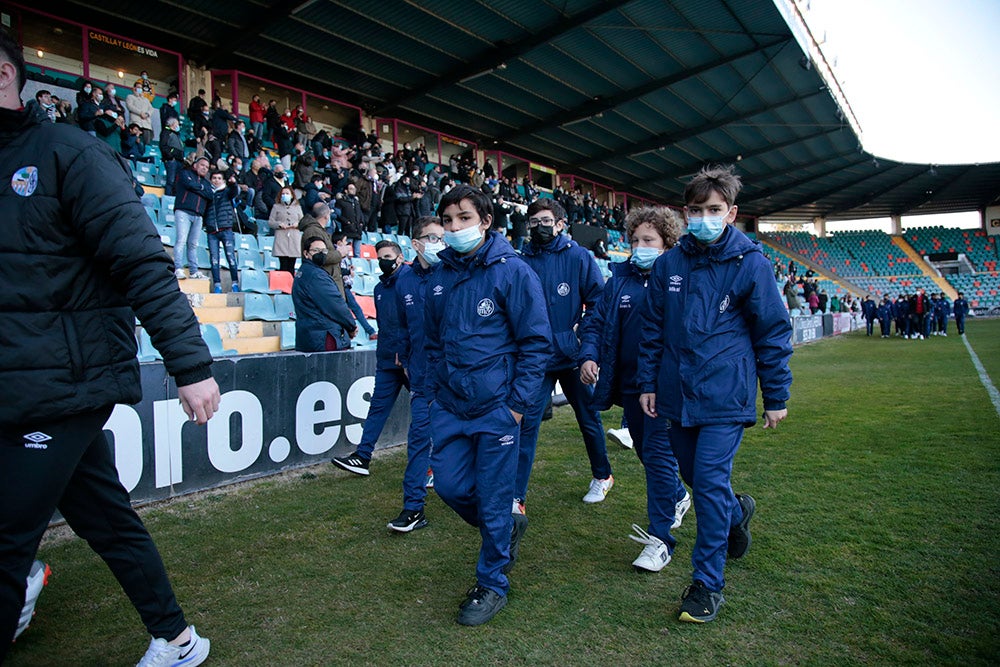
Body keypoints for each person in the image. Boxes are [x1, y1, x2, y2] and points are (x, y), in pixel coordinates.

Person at [0, 31, 217, 665]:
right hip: (19, 382)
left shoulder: (71, 153)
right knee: (104, 515)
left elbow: (142, 263)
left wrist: (191, 365)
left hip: (62, 384)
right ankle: (178, 641)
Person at [637, 165, 792, 624]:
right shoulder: (669, 264)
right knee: (697, 479)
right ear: (685, 213)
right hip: (676, 394)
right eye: (697, 209)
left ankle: (706, 585)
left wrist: (776, 395)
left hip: (727, 395)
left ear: (732, 212)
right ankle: (736, 512)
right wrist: (648, 382)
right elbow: (652, 330)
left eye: (714, 210)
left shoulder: (751, 263)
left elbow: (772, 331)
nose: (705, 217)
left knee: (705, 484)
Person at [423, 185, 550, 626]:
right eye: (448, 219)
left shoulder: (512, 271)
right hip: (451, 406)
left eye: (463, 218)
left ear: (486, 221)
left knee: (495, 497)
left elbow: (536, 343)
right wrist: (438, 390)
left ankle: (492, 581)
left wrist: (516, 406)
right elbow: (433, 340)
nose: (454, 227)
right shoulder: (438, 276)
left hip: (498, 407)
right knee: (452, 488)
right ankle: (504, 530)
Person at [578, 206, 691, 572]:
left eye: (649, 240)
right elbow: (595, 323)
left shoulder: (678, 278)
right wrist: (589, 355)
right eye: (635, 240)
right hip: (627, 386)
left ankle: (660, 541)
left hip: (659, 388)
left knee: (657, 457)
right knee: (646, 452)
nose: (639, 246)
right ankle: (678, 497)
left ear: (667, 243)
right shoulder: (619, 279)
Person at [515, 198, 612, 508]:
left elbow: (598, 304)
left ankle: (603, 476)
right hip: (536, 359)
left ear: (559, 224)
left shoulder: (579, 257)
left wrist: (584, 346)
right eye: (533, 222)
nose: (539, 227)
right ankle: (516, 496)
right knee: (526, 424)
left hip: (571, 358)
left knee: (588, 419)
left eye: (546, 221)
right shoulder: (519, 261)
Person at [384, 216, 444, 532]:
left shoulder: (454, 274)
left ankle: (490, 505)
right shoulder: (404, 281)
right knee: (418, 441)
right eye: (432, 237)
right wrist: (405, 359)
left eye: (442, 237)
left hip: (457, 379)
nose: (439, 243)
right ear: (416, 243)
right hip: (422, 378)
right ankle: (413, 508)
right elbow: (403, 327)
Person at [331, 240, 411, 478]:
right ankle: (362, 456)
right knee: (377, 408)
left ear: (399, 257)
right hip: (387, 359)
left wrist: (407, 355)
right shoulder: (379, 289)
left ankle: (440, 461)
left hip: (409, 360)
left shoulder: (411, 283)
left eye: (387, 256)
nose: (382, 261)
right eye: (379, 257)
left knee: (426, 412)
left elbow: (413, 323)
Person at [292, 236, 357, 351]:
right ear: (306, 253)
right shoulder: (316, 275)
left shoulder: (303, 272)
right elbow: (335, 304)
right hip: (324, 336)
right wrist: (351, 325)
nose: (320, 254)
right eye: (316, 250)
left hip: (310, 336)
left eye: (323, 251)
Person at [203, 170, 243, 293]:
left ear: (223, 180)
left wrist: (234, 183)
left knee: (231, 258)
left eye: (219, 178)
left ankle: (235, 283)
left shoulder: (227, 192)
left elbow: (234, 191)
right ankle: (217, 285)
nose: (216, 180)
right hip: (212, 232)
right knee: (214, 259)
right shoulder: (207, 193)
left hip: (226, 230)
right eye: (214, 178)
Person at [173, 156, 213, 280]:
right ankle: (178, 268)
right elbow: (188, 184)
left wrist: (197, 188)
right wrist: (201, 189)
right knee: (181, 241)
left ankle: (193, 271)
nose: (204, 168)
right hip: (183, 211)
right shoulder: (185, 173)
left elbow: (210, 195)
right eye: (202, 165)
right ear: (195, 165)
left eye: (207, 167)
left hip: (198, 216)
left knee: (193, 245)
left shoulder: (206, 183)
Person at [268, 185, 303, 274]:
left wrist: (297, 224)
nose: (285, 195)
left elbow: (302, 221)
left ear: (292, 195)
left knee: (292, 265)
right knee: (283, 265)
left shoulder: (297, 207)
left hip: (294, 237)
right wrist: (279, 224)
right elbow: (270, 222)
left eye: (287, 193)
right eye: (283, 193)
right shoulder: (276, 207)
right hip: (281, 237)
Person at [160, 116, 184, 196]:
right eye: (177, 124)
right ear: (172, 124)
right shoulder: (166, 133)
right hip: (172, 161)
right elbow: (163, 146)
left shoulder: (176, 134)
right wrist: (171, 156)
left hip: (179, 161)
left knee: (176, 182)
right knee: (171, 181)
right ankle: (168, 198)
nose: (178, 126)